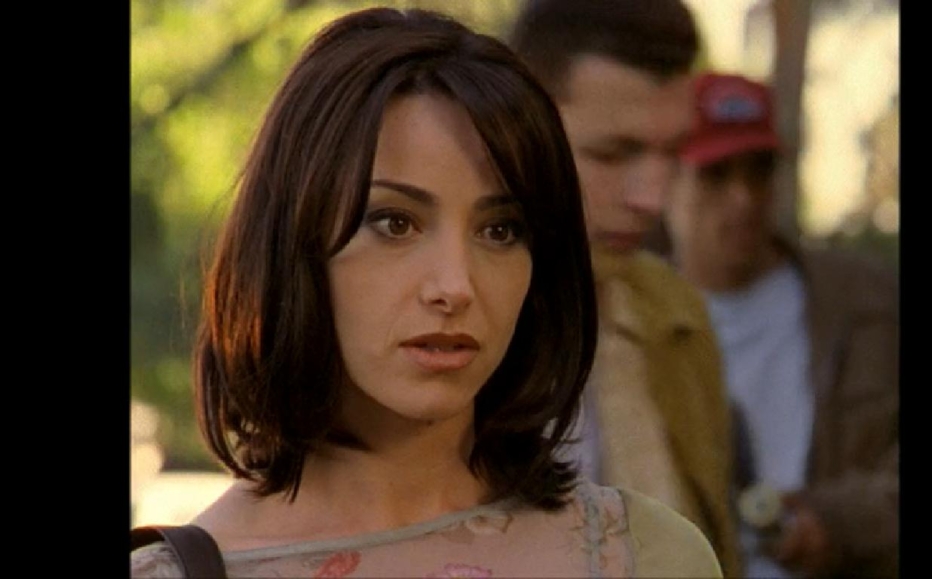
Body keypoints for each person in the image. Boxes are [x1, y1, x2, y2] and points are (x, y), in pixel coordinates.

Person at [129, 7, 724, 579]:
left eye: (500, 230)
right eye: (395, 223)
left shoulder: (642, 553)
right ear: (293, 243)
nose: (455, 287)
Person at [508, 1, 741, 577]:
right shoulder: (437, 325)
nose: (652, 198)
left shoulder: (676, 313)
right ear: (515, 131)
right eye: (612, 154)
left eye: (674, 152)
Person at [660, 71, 899, 578]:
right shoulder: (629, 321)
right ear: (667, 180)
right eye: (717, 174)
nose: (743, 198)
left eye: (760, 171)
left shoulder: (866, 304)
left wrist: (838, 522)